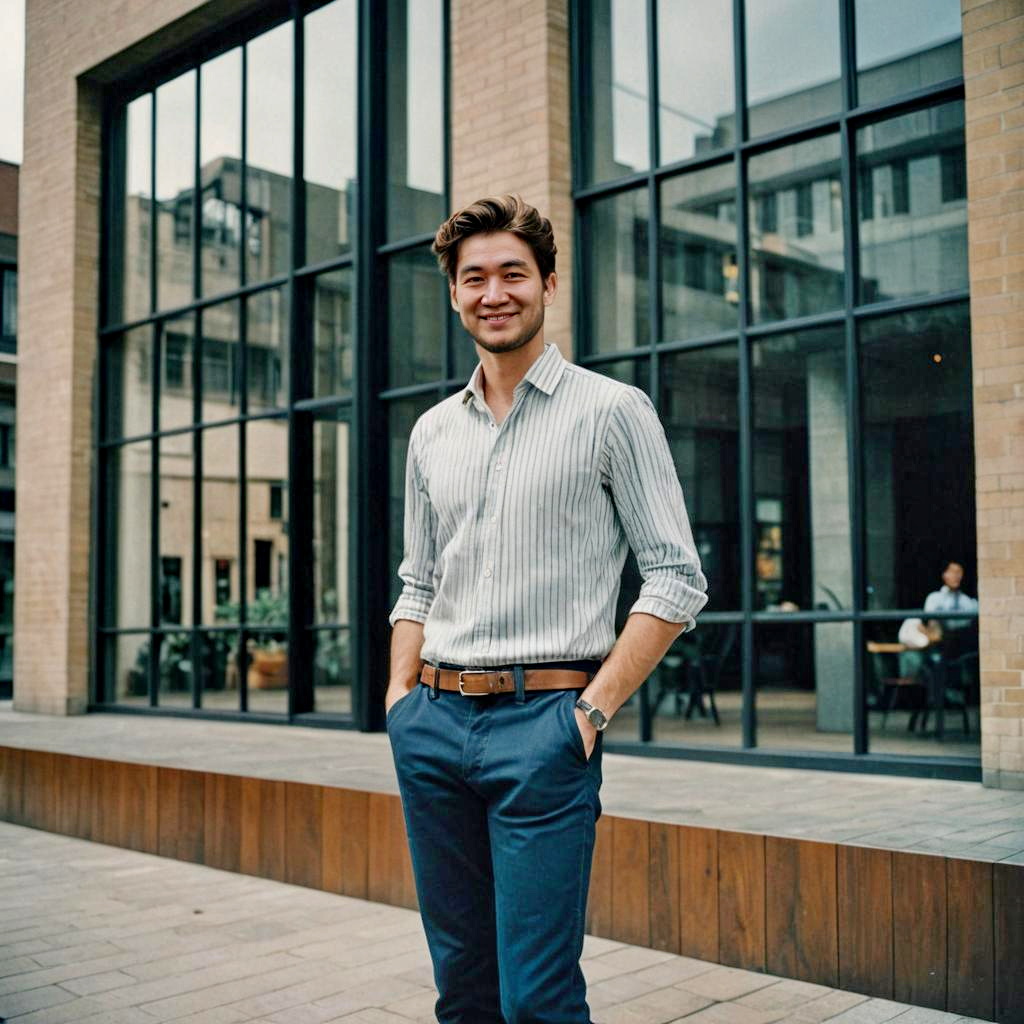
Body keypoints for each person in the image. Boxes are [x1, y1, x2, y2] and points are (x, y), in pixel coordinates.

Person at [384, 195, 707, 1024]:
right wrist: (399, 705)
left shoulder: (611, 412)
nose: (494, 292)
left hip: (547, 728)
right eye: (474, 278)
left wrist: (590, 712)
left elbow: (676, 578)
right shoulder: (431, 433)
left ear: (549, 284)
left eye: (513, 274)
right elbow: (418, 581)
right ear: (454, 294)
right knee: (464, 989)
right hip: (433, 725)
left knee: (536, 998)